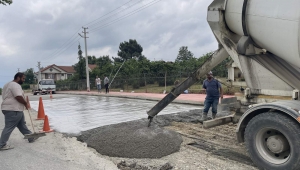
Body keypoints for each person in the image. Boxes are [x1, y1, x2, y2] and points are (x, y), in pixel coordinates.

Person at [0, 72, 38, 151]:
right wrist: (25, 103)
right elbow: (18, 96)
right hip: (14, 109)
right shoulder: (15, 85)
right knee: (9, 127)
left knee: (21, 124)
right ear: (18, 77)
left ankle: (30, 137)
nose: (24, 80)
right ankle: (2, 144)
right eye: (23, 78)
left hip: (10, 108)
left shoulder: (7, 84)